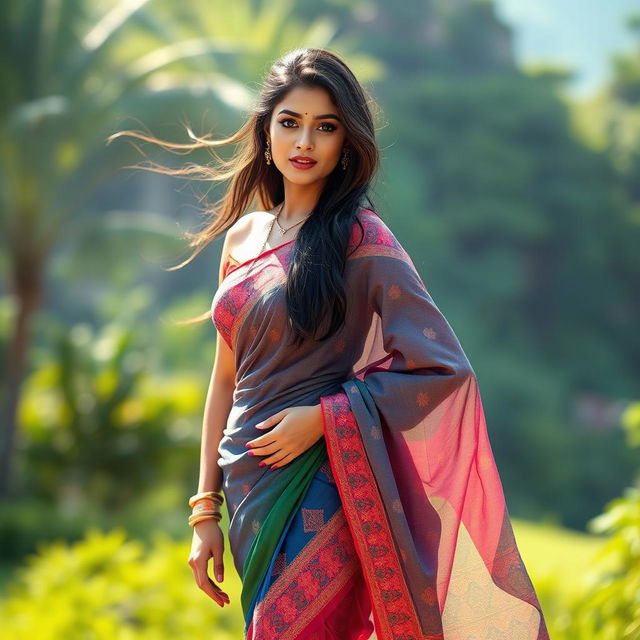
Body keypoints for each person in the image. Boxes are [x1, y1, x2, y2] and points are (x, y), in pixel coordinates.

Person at [111, 47, 550, 639]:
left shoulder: (363, 239)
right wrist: (204, 510)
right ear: (266, 131)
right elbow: (224, 380)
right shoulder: (243, 237)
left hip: (322, 484)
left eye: (326, 127)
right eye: (290, 122)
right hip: (248, 492)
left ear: (347, 143)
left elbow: (443, 367)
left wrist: (325, 417)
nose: (305, 141)